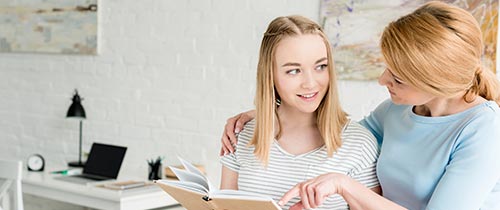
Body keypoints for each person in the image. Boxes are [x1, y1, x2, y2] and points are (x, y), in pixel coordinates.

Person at [219, 1, 500, 210]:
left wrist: (343, 184)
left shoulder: (483, 129)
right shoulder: (396, 111)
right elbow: (336, 129)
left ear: (434, 81)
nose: (382, 80)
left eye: (397, 78)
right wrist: (268, 112)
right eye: (386, 68)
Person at [219, 15, 380, 209]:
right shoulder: (241, 135)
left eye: (320, 67)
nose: (310, 83)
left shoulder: (358, 144)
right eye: (294, 71)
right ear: (270, 74)